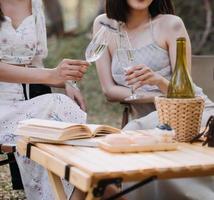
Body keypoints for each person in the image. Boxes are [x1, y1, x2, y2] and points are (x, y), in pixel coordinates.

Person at [93, 0, 214, 199]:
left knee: (133, 133)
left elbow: (186, 90)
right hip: (151, 120)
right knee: (133, 137)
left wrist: (158, 81)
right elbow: (109, 90)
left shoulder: (171, 24)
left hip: (188, 113)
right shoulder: (104, 25)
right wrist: (154, 96)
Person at [0, 0, 89, 199]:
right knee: (57, 106)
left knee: (60, 113)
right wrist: (50, 75)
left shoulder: (36, 4)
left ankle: (70, 191)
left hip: (27, 99)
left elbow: (35, 63)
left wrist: (66, 82)